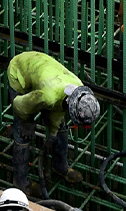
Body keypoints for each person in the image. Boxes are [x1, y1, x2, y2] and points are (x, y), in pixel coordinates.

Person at [7, 51, 101, 196]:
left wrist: (52, 133)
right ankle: (20, 182)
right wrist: (27, 123)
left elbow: (58, 111)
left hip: (44, 74)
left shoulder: (78, 88)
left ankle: (60, 166)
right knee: (23, 134)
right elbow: (19, 104)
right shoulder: (47, 96)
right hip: (19, 71)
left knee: (60, 127)